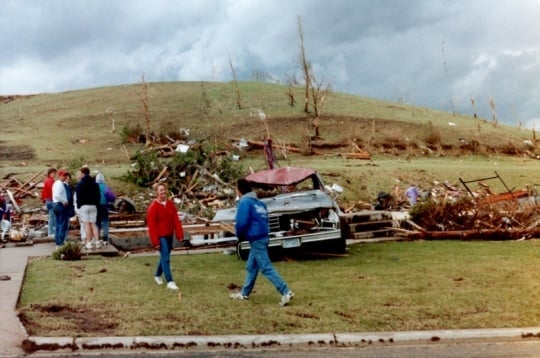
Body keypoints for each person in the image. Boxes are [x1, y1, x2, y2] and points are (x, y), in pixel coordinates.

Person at [230, 178, 294, 306]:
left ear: (239, 190)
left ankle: (285, 291)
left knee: (265, 267)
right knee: (251, 266)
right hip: (263, 237)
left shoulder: (244, 202)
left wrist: (239, 235)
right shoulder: (259, 203)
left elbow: (242, 222)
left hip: (256, 239)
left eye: (236, 188)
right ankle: (244, 293)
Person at [146, 182, 185, 291]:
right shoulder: (153, 208)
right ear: (156, 193)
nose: (163, 192)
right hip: (160, 236)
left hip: (169, 234)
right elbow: (152, 226)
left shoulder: (170, 204)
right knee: (166, 258)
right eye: (160, 190)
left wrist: (179, 234)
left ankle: (157, 275)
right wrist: (155, 242)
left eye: (164, 190)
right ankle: (170, 281)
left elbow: (176, 220)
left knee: (165, 256)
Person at [75, 166, 101, 250]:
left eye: (80, 173)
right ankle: (97, 242)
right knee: (93, 224)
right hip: (93, 205)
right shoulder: (94, 183)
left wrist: (79, 206)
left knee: (86, 224)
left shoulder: (80, 184)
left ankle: (89, 242)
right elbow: (98, 195)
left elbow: (78, 196)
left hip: (84, 205)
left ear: (83, 173)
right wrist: (96, 204)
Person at [52, 169, 71, 248]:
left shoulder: (57, 183)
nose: (65, 177)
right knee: (63, 224)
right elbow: (57, 195)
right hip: (60, 205)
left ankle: (58, 242)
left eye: (66, 175)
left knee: (58, 224)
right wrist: (64, 201)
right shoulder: (60, 184)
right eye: (63, 175)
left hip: (56, 204)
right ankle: (60, 241)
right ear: (59, 176)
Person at [95, 173, 116, 245]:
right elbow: (112, 197)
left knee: (97, 223)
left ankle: (97, 238)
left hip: (96, 206)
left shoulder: (94, 187)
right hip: (104, 206)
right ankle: (105, 239)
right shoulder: (105, 187)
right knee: (105, 222)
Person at [41, 168, 57, 237]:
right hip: (51, 200)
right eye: (53, 173)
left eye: (54, 173)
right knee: (52, 216)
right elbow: (52, 191)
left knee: (52, 216)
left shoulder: (48, 181)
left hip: (48, 200)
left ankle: (52, 231)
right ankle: (51, 232)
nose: (54, 175)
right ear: (50, 174)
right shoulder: (50, 181)